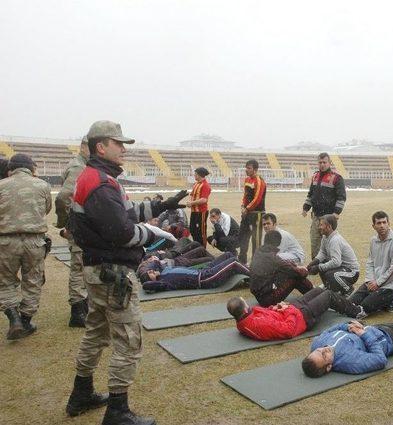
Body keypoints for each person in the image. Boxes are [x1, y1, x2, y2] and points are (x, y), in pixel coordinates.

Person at [65, 120, 188, 424]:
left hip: (98, 270)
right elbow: (121, 230)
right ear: (100, 147)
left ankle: (81, 394)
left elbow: (125, 214)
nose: (123, 149)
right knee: (128, 340)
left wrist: (160, 206)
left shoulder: (96, 177)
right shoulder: (101, 183)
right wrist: (150, 234)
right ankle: (117, 411)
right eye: (117, 143)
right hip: (113, 272)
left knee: (95, 332)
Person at [301, 305, 393, 377]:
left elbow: (330, 330)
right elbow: (380, 359)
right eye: (324, 356)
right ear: (328, 367)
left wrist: (350, 326)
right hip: (392, 341)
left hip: (374, 329)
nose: (324, 349)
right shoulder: (351, 362)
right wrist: (363, 334)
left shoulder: (317, 344)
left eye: (319, 351)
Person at [0, 153, 51, 340]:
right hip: (35, 241)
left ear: (10, 169)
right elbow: (46, 209)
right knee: (33, 280)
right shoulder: (42, 185)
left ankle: (14, 319)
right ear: (31, 168)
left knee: (4, 282)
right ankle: (26, 320)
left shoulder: (1, 186)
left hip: (5, 241)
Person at [227, 287, 363, 341]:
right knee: (328, 296)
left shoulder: (245, 316)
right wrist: (290, 310)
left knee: (318, 290)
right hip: (302, 319)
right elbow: (288, 331)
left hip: (290, 311)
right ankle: (357, 312)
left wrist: (277, 307)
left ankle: (346, 304)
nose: (249, 305)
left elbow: (267, 312)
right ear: (244, 310)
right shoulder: (258, 324)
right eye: (246, 303)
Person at [55, 135, 90, 327]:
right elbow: (63, 197)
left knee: (84, 266)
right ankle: (77, 312)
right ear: (84, 147)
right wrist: (66, 222)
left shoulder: (84, 165)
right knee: (79, 268)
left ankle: (84, 306)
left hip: (84, 227)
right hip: (80, 228)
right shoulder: (79, 167)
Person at [349, 211, 393, 316]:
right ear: (373, 226)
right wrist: (370, 281)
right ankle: (385, 301)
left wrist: (378, 283)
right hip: (373, 282)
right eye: (378, 223)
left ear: (389, 223)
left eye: (384, 222)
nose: (382, 226)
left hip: (389, 285)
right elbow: (370, 262)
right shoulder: (373, 241)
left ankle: (391, 300)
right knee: (350, 303)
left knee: (365, 306)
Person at [249, 230, 313, 307]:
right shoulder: (272, 258)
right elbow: (297, 273)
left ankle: (313, 292)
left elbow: (284, 266)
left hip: (260, 295)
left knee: (290, 271)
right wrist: (305, 271)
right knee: (295, 276)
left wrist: (294, 267)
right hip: (267, 299)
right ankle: (314, 294)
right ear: (278, 243)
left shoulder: (258, 252)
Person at [302, 152, 347, 258]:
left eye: (324, 162)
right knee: (314, 240)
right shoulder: (315, 176)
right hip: (316, 216)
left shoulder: (337, 178)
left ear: (329, 163)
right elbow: (311, 195)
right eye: (320, 162)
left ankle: (330, 263)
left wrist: (336, 213)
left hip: (329, 217)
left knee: (329, 241)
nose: (322, 164)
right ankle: (316, 264)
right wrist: (305, 208)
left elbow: (341, 197)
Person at [140, 252, 249, 292]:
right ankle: (256, 277)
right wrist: (147, 278)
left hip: (203, 270)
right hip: (205, 279)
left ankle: (245, 272)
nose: (151, 271)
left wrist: (152, 265)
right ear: (151, 280)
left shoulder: (163, 270)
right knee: (233, 263)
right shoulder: (163, 283)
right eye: (149, 273)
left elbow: (156, 263)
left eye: (150, 271)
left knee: (228, 255)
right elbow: (146, 286)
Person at [306, 214, 359, 296]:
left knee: (331, 274)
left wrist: (318, 267)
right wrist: (313, 263)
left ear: (329, 227)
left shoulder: (335, 240)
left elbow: (336, 262)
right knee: (322, 264)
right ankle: (329, 287)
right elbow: (322, 253)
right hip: (341, 267)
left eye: (321, 225)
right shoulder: (325, 237)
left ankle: (348, 289)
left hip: (352, 271)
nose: (319, 227)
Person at [239, 159, 267, 264]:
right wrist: (243, 206)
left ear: (255, 169)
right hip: (246, 214)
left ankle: (256, 263)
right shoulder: (247, 179)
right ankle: (242, 261)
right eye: (246, 167)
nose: (246, 170)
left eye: (249, 168)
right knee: (243, 238)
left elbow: (257, 199)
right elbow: (245, 196)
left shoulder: (259, 181)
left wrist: (247, 208)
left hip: (257, 214)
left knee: (256, 240)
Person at [186, 167, 211, 247]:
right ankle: (196, 246)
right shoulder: (196, 184)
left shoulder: (205, 185)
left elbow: (204, 200)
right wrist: (190, 203)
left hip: (201, 212)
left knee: (201, 231)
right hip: (194, 212)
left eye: (195, 174)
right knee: (193, 230)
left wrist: (192, 203)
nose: (194, 176)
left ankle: (202, 249)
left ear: (200, 175)